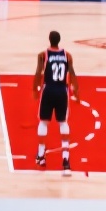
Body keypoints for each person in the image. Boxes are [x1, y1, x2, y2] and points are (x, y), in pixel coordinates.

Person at [32, 31, 80, 176]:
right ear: (59, 40)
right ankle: (66, 161)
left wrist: (35, 89)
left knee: (43, 122)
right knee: (63, 123)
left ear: (49, 40)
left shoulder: (43, 55)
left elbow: (38, 73)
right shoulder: (67, 55)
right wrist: (76, 91)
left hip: (48, 90)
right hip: (61, 91)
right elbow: (72, 74)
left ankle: (41, 155)